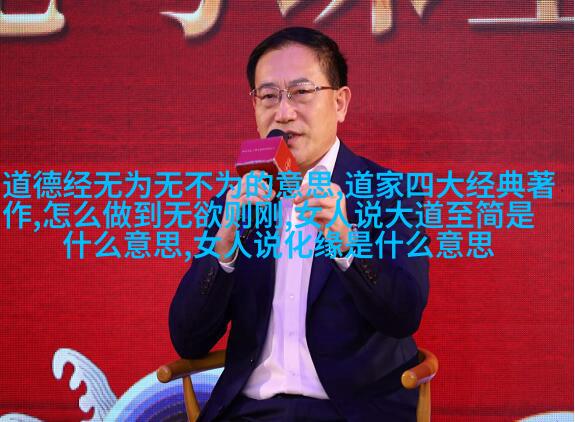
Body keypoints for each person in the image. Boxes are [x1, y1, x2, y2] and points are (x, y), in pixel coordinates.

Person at [169, 26, 429, 422]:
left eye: (301, 92)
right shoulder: (236, 202)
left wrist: (346, 242)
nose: (283, 113)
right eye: (268, 96)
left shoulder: (389, 195)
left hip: (350, 412)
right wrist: (223, 249)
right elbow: (188, 340)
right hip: (250, 411)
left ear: (340, 103)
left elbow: (403, 315)